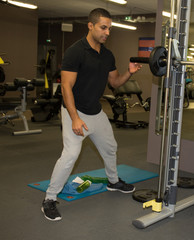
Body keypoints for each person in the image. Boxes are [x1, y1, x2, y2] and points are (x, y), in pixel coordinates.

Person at [41, 8, 142, 221]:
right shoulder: (75, 51)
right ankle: (49, 199)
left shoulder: (107, 55)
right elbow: (66, 87)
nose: (107, 32)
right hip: (74, 112)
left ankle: (113, 182)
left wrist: (129, 73)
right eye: (103, 28)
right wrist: (75, 117)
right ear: (91, 25)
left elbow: (114, 82)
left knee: (110, 147)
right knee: (70, 156)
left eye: (109, 29)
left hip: (96, 112)